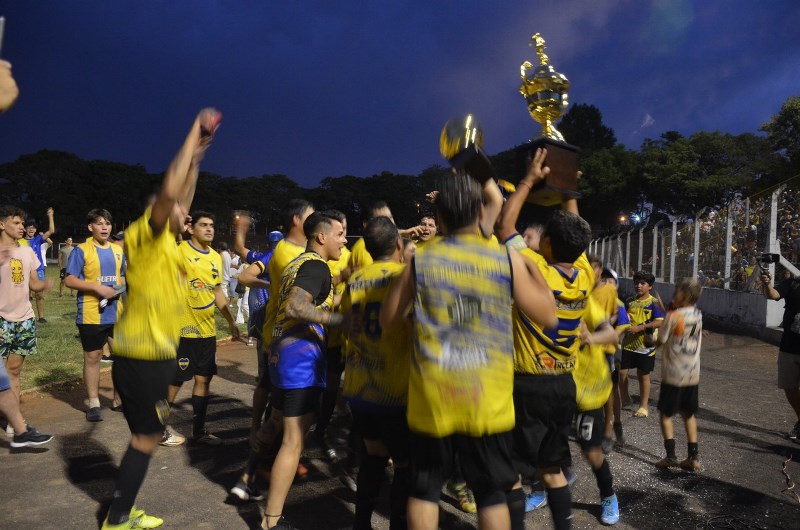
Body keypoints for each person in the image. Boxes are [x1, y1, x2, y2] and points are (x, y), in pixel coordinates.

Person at [381, 170, 557, 530]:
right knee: (491, 492)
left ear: (440, 216)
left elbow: (388, 320)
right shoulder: (503, 259)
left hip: (434, 396)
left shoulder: (421, 260)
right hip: (487, 399)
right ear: (480, 213)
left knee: (425, 489)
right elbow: (548, 315)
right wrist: (528, 263)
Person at [101, 107, 220, 530]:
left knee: (145, 437)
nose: (186, 214)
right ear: (155, 211)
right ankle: (118, 518)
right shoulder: (146, 235)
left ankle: (121, 509)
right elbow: (172, 192)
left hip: (149, 354)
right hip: (145, 356)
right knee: (146, 439)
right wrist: (191, 133)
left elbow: (181, 196)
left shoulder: (167, 242)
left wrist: (198, 158)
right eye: (175, 209)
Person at [260, 211, 347, 530]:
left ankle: (252, 477)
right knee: (293, 442)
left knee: (278, 423)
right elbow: (296, 306)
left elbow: (312, 297)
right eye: (340, 233)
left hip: (281, 355)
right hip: (300, 362)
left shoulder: (297, 263)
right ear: (321, 237)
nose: (343, 240)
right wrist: (341, 321)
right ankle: (271, 521)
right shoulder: (316, 266)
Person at [229, 201, 314, 504]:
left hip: (279, 335)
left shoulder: (290, 253)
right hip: (282, 336)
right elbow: (243, 275)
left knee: (277, 399)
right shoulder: (284, 253)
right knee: (277, 400)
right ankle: (256, 463)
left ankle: (261, 461)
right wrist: (272, 283)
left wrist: (240, 233)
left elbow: (242, 255)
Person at [341, 215, 412, 530]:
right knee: (406, 465)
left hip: (360, 385)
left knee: (373, 456)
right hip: (396, 387)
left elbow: (346, 324)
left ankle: (362, 523)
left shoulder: (355, 279)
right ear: (398, 244)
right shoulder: (405, 276)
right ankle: (398, 524)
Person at [165, 211, 241, 447]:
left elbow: (217, 292)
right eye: (203, 225)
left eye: (212, 225)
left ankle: (199, 431)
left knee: (204, 379)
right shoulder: (178, 250)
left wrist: (230, 320)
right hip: (182, 329)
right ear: (191, 228)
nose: (209, 229)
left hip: (207, 331)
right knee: (175, 381)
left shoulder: (217, 258)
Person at [63, 209, 126, 422]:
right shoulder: (81, 250)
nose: (105, 227)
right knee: (93, 357)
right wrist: (97, 288)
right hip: (91, 312)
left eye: (107, 223)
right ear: (91, 227)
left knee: (123, 357)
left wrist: (117, 289)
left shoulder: (118, 250)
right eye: (99, 223)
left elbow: (123, 277)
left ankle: (119, 400)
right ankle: (94, 403)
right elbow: (70, 280)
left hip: (117, 313)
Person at [0, 205, 54, 445]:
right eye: (16, 223)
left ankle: (13, 421)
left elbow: (33, 283)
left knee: (13, 371)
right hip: (1, 319)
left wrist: (43, 286)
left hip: (24, 319)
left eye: (23, 223)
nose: (22, 227)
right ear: (2, 225)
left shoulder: (26, 252)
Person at [572, 272, 622, 525]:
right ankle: (541, 489)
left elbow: (612, 334)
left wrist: (589, 337)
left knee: (591, 451)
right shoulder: (540, 294)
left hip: (587, 390)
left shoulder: (586, 304)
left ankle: (608, 495)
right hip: (553, 385)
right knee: (541, 444)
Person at [654, 278, 704, 470]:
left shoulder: (672, 317)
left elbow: (660, 341)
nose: (673, 294)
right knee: (688, 414)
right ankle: (693, 457)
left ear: (684, 295)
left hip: (674, 374)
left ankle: (671, 456)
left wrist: (650, 341)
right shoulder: (698, 314)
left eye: (677, 292)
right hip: (692, 373)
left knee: (666, 415)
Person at [760, 267, 800, 442]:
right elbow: (773, 295)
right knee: (789, 387)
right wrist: (767, 284)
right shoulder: (793, 284)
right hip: (789, 346)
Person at [619, 270, 665, 418]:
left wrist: (640, 327)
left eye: (642, 283)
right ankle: (625, 399)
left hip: (645, 347)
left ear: (649, 286)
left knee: (643, 375)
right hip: (627, 344)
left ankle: (643, 406)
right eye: (636, 283)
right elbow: (622, 319)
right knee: (621, 373)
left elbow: (659, 322)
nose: (638, 286)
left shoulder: (654, 303)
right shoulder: (629, 301)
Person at [18, 208, 55, 323]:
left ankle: (41, 317)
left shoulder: (38, 239)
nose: (31, 228)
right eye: (29, 226)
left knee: (39, 295)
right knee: (23, 296)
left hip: (38, 270)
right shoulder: (19, 240)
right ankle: (24, 316)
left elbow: (51, 230)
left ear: (35, 230)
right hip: (23, 271)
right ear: (24, 228)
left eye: (33, 227)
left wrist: (50, 216)